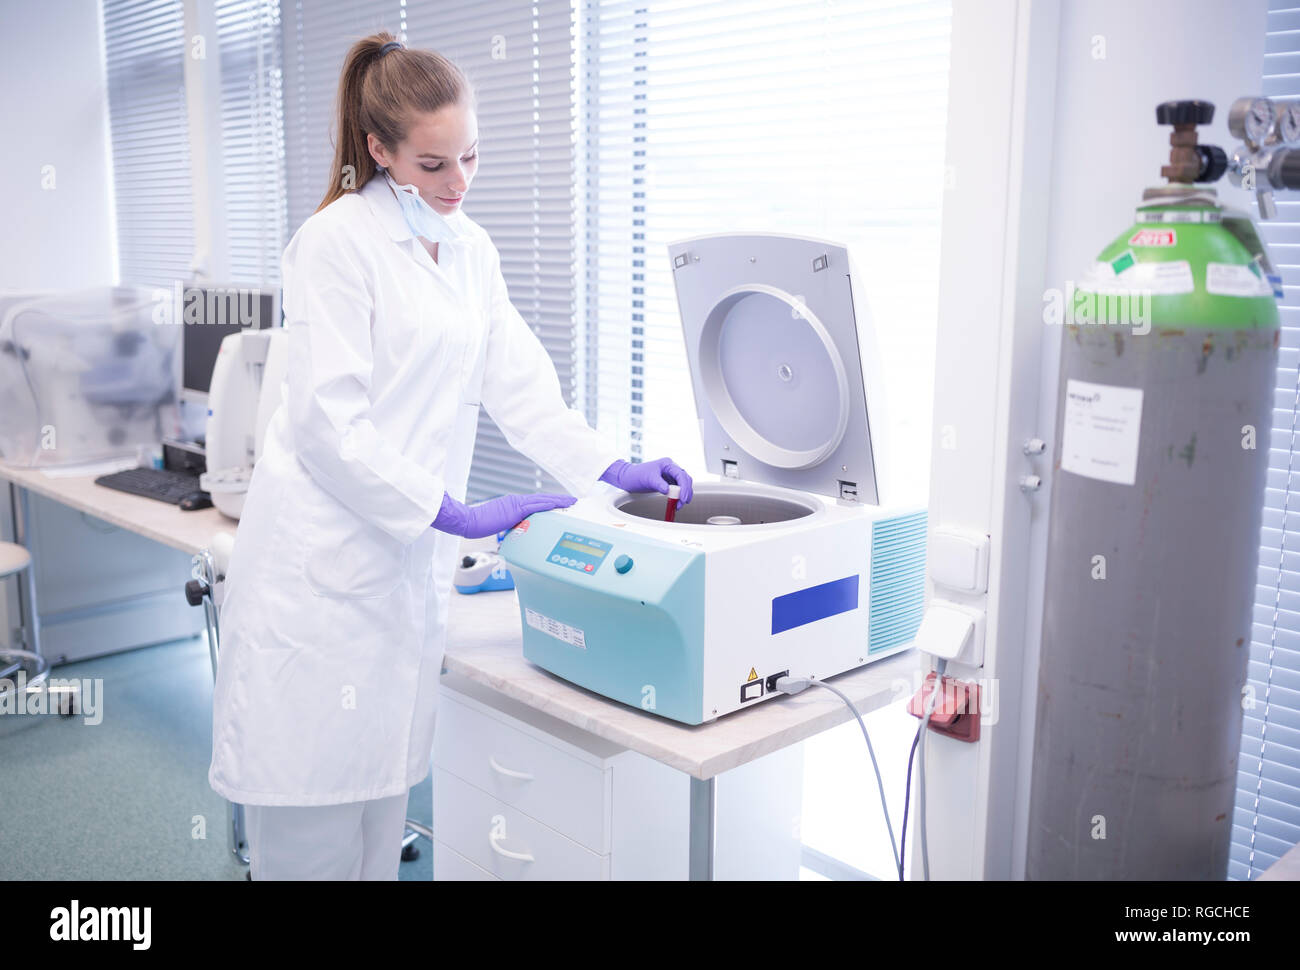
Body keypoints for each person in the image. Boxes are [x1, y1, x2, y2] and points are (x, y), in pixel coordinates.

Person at [208, 31, 694, 880]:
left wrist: (613, 467)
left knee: (376, 834)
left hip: (396, 587)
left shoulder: (468, 247)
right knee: (309, 851)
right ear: (380, 151)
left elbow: (521, 388)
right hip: (317, 584)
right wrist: (451, 512)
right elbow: (330, 425)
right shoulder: (333, 244)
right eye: (434, 165)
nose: (457, 182)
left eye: (470, 155)